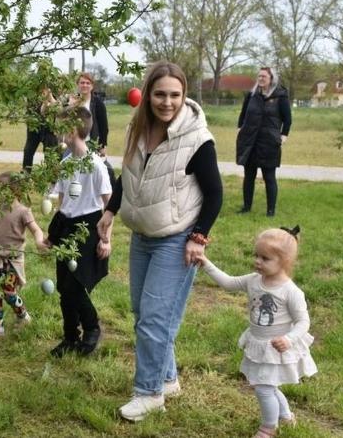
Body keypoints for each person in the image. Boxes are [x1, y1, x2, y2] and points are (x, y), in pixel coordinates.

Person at [96, 61, 223, 421]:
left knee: (154, 319)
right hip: (143, 237)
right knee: (144, 315)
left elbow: (214, 195)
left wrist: (198, 238)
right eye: (160, 94)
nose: (167, 102)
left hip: (176, 238)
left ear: (184, 96)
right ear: (148, 94)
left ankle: (149, 393)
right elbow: (127, 177)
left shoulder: (197, 139)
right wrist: (110, 212)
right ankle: (167, 378)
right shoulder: (138, 130)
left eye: (175, 95)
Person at [197, 226, 316, 438]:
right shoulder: (253, 280)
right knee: (267, 385)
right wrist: (206, 263)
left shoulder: (291, 291)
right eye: (257, 256)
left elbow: (303, 321)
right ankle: (286, 416)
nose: (258, 261)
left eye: (265, 258)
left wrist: (289, 339)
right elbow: (229, 283)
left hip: (276, 348)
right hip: (258, 343)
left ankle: (268, 428)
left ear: (284, 262)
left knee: (264, 388)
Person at [46, 106, 112, 357]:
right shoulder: (66, 164)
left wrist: (106, 239)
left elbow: (108, 205)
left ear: (73, 130)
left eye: (61, 126)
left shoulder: (95, 165)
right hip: (67, 227)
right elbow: (63, 202)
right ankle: (70, 336)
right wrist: (54, 233)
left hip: (88, 228)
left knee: (75, 285)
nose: (57, 131)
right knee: (63, 286)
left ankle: (92, 327)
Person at [0, 171, 48, 343]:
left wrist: (40, 241)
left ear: (14, 190)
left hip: (13, 259)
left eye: (1, 188)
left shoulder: (23, 211)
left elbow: (36, 229)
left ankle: (23, 315)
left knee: (9, 292)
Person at [236, 67, 292, 217]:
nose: (260, 79)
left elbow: (287, 119)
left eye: (264, 76)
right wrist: (240, 128)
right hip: (250, 140)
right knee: (249, 176)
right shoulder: (252, 95)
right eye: (259, 76)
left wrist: (284, 135)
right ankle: (246, 207)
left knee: (269, 176)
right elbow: (243, 114)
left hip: (269, 141)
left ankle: (270, 211)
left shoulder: (280, 96)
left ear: (271, 78)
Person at [69, 72, 109, 156]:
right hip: (74, 143)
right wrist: (70, 106)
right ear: (78, 84)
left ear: (92, 86)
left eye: (88, 83)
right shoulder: (72, 100)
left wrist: (102, 145)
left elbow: (103, 127)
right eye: (82, 83)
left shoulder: (98, 103)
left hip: (91, 144)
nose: (85, 85)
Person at [22, 87, 60, 172]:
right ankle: (26, 174)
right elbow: (40, 111)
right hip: (34, 127)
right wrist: (45, 101)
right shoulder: (32, 94)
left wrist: (49, 95)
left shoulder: (53, 92)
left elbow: (56, 108)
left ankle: (52, 178)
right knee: (28, 151)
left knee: (50, 153)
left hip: (49, 128)